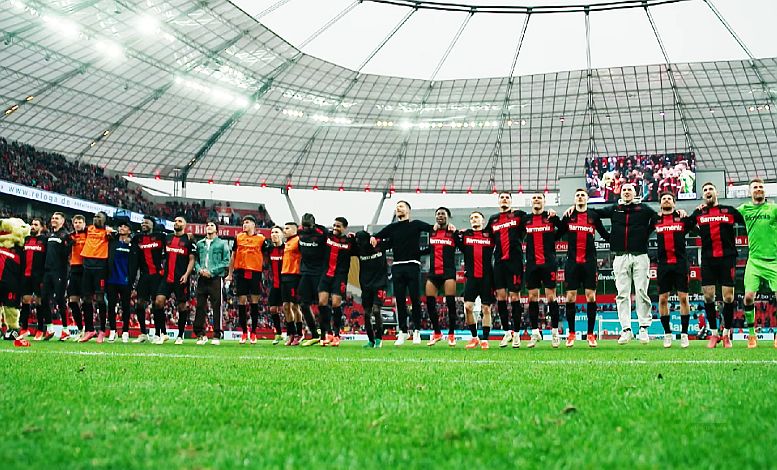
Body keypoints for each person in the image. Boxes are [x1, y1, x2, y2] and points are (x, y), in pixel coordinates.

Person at [587, 183, 657, 345]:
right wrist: (608, 237)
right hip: (620, 256)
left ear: (635, 192)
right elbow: (594, 213)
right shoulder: (615, 208)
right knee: (622, 294)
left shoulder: (644, 209)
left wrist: (645, 234)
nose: (626, 192)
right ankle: (626, 329)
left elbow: (658, 218)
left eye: (629, 190)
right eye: (624, 190)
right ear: (620, 193)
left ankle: (643, 328)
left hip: (640, 256)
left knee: (641, 291)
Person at [688, 182, 746, 348]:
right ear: (703, 195)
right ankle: (714, 334)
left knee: (728, 297)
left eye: (710, 189)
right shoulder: (699, 213)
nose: (708, 192)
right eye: (705, 190)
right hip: (708, 259)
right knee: (708, 296)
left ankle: (726, 334)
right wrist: (684, 213)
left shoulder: (729, 210)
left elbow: (746, 222)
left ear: (716, 193)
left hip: (727, 258)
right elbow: (686, 225)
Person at [371, 201, 434, 346]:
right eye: (397, 207)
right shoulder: (392, 227)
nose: (398, 208)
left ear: (408, 210)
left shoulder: (416, 224)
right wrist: (373, 238)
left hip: (413, 265)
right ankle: (403, 331)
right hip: (397, 267)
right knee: (399, 300)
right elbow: (377, 236)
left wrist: (423, 251)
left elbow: (434, 230)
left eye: (401, 206)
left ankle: (416, 331)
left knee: (415, 299)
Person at [559, 189, 609, 348]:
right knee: (570, 297)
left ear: (587, 198)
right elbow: (557, 234)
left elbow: (604, 234)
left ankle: (590, 334)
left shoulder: (593, 216)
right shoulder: (569, 216)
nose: (580, 197)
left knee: (591, 297)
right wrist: (553, 216)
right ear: (574, 199)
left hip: (589, 262)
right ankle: (571, 334)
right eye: (578, 195)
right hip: (572, 262)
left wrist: (621, 240)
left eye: (582, 195)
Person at [737, 178, 777, 349]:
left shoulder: (774, 208)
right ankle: (752, 335)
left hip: (774, 261)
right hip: (754, 261)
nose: (758, 189)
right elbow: (725, 216)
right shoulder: (744, 209)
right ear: (750, 191)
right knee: (748, 297)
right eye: (755, 187)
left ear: (764, 190)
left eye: (761, 187)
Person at [522, 193, 564, 348]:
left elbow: (563, 228)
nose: (536, 200)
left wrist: (556, 218)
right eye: (534, 198)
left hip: (548, 263)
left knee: (551, 297)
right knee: (532, 297)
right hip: (532, 264)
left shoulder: (550, 217)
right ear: (531, 202)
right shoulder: (526, 219)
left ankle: (555, 333)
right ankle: (535, 332)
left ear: (544, 201)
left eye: (539, 198)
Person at [486, 192, 527, 348]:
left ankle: (517, 333)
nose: (504, 200)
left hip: (515, 262)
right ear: (498, 201)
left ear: (511, 201)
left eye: (507, 198)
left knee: (515, 297)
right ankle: (507, 332)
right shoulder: (493, 219)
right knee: (501, 297)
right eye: (502, 197)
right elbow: (485, 237)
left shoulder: (519, 215)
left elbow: (533, 220)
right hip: (499, 263)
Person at [653, 192, 693, 349]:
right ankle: (667, 334)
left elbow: (696, 224)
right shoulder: (655, 220)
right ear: (660, 204)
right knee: (663, 299)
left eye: (669, 199)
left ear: (674, 203)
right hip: (663, 265)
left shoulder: (682, 219)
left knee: (683, 298)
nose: (666, 200)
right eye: (664, 199)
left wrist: (687, 213)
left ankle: (684, 334)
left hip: (680, 264)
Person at [456, 211, 494, 350]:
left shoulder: (490, 235)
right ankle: (474, 337)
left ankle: (485, 339)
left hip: (487, 277)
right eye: (471, 218)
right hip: (471, 277)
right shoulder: (466, 235)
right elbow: (456, 242)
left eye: (476, 217)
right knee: (468, 307)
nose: (474, 219)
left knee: (486, 308)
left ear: (483, 221)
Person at [226, 215, 265, 344]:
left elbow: (267, 255)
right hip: (241, 272)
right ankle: (244, 332)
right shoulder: (238, 237)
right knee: (241, 302)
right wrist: (230, 274)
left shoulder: (261, 239)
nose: (244, 225)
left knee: (254, 303)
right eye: (243, 222)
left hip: (255, 273)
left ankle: (253, 332)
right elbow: (233, 256)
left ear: (253, 225)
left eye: (247, 222)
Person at [156, 215, 196, 345]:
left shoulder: (188, 240)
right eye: (175, 221)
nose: (176, 222)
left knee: (182, 306)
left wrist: (186, 274)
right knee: (158, 302)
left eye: (180, 221)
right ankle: (163, 334)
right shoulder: (167, 238)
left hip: (181, 278)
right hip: (166, 277)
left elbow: (192, 259)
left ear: (185, 225)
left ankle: (180, 335)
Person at [422, 207, 458, 346]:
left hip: (448, 272)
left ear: (448, 217)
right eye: (438, 214)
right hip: (433, 273)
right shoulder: (432, 232)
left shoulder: (452, 233)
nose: (440, 216)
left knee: (451, 304)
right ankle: (437, 333)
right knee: (430, 303)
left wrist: (456, 232)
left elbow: (463, 246)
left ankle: (451, 334)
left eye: (443, 214)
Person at [317, 217, 353, 347]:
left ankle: (337, 334)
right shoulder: (327, 237)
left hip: (340, 277)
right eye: (334, 225)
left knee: (336, 303)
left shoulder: (349, 242)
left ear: (344, 228)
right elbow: (317, 228)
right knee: (322, 302)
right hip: (326, 274)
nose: (335, 228)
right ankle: (328, 333)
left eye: (338, 226)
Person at [193, 219, 230, 345]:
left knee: (217, 306)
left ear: (216, 229)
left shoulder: (222, 244)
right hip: (202, 278)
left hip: (216, 278)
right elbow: (195, 260)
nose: (209, 227)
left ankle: (217, 334)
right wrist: (199, 270)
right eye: (207, 225)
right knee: (200, 306)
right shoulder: (200, 244)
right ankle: (200, 334)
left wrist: (212, 271)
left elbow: (226, 261)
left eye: (212, 225)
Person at [78, 211, 113, 342]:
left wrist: (111, 232)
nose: (95, 219)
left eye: (99, 217)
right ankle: (89, 329)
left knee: (99, 298)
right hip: (87, 266)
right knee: (86, 298)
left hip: (100, 267)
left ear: (104, 221)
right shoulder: (88, 229)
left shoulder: (108, 232)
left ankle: (102, 331)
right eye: (95, 216)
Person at [131, 215, 165, 343]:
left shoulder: (160, 237)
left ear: (152, 225)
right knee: (140, 304)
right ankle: (143, 333)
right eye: (142, 222)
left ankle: (158, 333)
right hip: (144, 276)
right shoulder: (137, 238)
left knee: (157, 304)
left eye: (146, 222)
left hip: (157, 275)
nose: (143, 224)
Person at [297, 213, 328, 347]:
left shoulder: (322, 233)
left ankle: (324, 335)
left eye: (308, 226)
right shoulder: (300, 232)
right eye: (304, 226)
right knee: (303, 304)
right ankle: (314, 334)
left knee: (322, 304)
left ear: (313, 225)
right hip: (305, 272)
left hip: (320, 272)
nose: (306, 228)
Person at [39, 212, 71, 341]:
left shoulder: (66, 235)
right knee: (44, 299)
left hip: (60, 272)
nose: (53, 220)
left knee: (60, 299)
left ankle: (65, 329)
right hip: (48, 271)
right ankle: (50, 328)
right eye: (52, 218)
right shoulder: (49, 235)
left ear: (62, 221)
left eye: (56, 218)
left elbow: (67, 255)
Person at [354, 230, 388, 348]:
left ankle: (379, 338)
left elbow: (391, 235)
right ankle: (371, 340)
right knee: (367, 314)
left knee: (376, 310)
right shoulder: (358, 248)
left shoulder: (379, 245)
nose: (359, 243)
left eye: (360, 241)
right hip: (366, 286)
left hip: (380, 284)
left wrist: (375, 236)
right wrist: (351, 237)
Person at [0, 217, 29, 347]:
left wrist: (22, 286)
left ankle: (14, 329)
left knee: (10, 308)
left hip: (11, 284)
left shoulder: (20, 251)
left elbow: (24, 269)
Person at [105, 218, 133, 343]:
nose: (122, 228)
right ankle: (113, 331)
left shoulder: (132, 245)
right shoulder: (113, 242)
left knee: (125, 307)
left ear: (129, 231)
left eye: (125, 227)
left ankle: (125, 331)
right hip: (112, 279)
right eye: (120, 226)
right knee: (111, 306)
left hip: (125, 280)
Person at [19, 217, 47, 340]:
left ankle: (40, 329)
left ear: (42, 227)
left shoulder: (44, 240)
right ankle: (24, 329)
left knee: (39, 301)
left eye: (36, 225)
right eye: (32, 224)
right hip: (26, 275)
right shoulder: (26, 240)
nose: (33, 226)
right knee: (25, 300)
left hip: (38, 276)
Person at [281, 222, 303, 346]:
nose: (284, 230)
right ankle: (291, 334)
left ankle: (299, 333)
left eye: (287, 228)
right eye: (284, 228)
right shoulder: (286, 243)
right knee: (285, 306)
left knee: (295, 306)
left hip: (295, 276)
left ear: (294, 230)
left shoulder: (298, 241)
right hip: (284, 275)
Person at [66, 215, 87, 340]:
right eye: (76, 222)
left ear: (84, 224)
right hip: (74, 269)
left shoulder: (88, 235)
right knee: (73, 301)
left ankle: (90, 328)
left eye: (80, 222)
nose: (78, 224)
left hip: (86, 269)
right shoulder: (70, 237)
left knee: (86, 300)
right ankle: (80, 328)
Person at [264, 226, 286, 345]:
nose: (273, 234)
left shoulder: (287, 248)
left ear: (282, 235)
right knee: (273, 309)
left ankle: (294, 333)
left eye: (276, 232)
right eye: (272, 232)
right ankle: (278, 333)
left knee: (288, 308)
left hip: (287, 282)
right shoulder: (269, 249)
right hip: (275, 283)